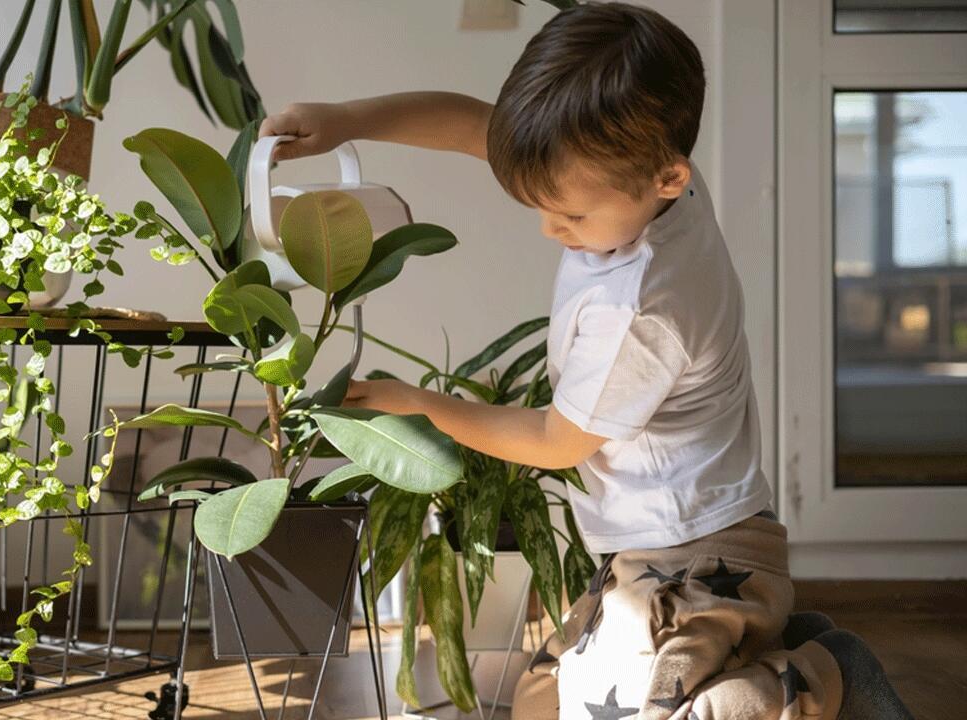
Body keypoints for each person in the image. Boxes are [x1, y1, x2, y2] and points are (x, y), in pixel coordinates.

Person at [258, 3, 912, 719]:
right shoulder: (655, 173)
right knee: (542, 706)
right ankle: (747, 641)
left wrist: (417, 403)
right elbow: (477, 126)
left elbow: (555, 441)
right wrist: (348, 120)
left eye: (570, 215)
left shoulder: (642, 308)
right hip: (650, 548)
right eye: (538, 204)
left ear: (667, 177)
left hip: (701, 552)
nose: (550, 228)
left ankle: (814, 676)